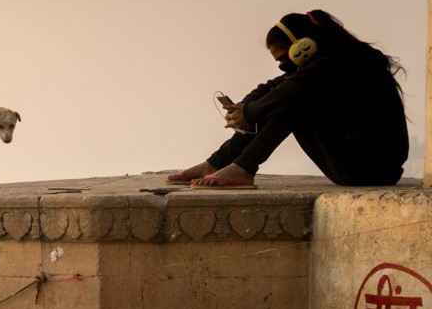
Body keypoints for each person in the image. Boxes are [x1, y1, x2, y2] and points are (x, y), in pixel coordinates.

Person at [168, 10, 408, 189]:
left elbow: (294, 88)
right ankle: (217, 163)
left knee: (295, 100)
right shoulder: (326, 61)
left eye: (284, 57)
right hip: (354, 167)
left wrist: (250, 113)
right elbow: (274, 86)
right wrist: (243, 108)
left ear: (304, 44)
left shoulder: (345, 58)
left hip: (371, 169)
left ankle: (244, 167)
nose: (284, 65)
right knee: (283, 96)